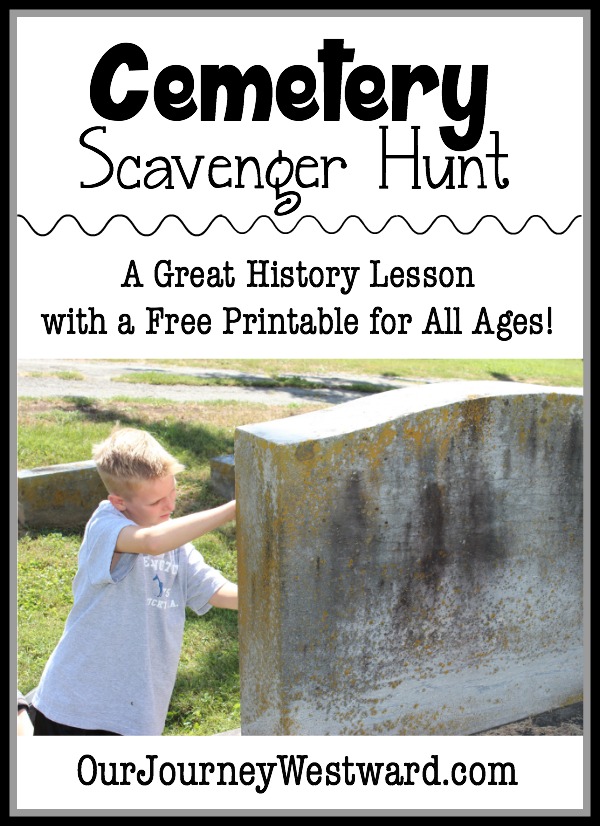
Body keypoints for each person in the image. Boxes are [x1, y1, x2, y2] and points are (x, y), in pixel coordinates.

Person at [31, 426, 237, 736]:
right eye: (156, 502)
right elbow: (152, 542)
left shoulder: (175, 545)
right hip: (76, 710)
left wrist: (279, 597)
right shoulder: (106, 526)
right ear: (119, 502)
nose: (169, 506)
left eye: (172, 491)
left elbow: (217, 591)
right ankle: (23, 712)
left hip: (136, 716)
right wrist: (236, 508)